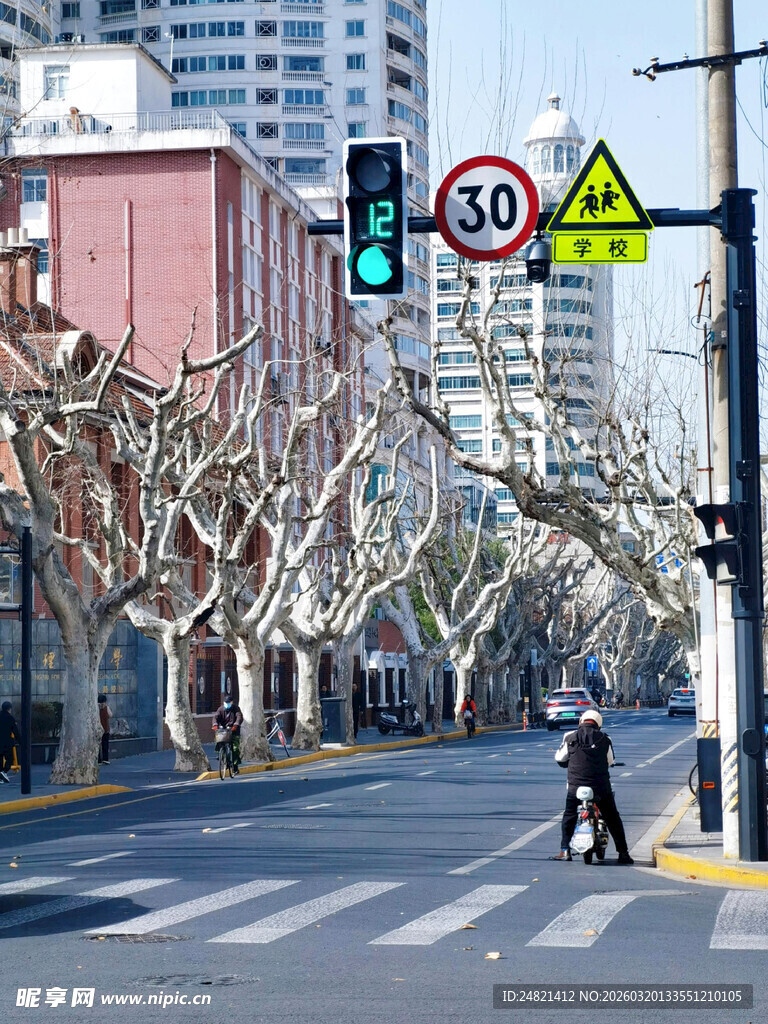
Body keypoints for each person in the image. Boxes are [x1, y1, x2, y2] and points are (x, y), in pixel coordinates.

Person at [551, 709, 633, 864]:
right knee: (612, 817)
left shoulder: (570, 737)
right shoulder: (605, 738)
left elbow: (560, 758)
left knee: (569, 815)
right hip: (600, 788)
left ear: (581, 721)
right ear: (598, 724)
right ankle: (623, 853)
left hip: (575, 788)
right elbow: (610, 761)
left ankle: (565, 850)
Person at [214, 695, 243, 774]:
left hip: (233, 731)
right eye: (226, 702)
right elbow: (216, 717)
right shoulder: (220, 709)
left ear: (232, 702)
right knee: (219, 741)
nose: (227, 704)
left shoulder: (236, 709)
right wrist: (215, 724)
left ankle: (235, 766)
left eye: (228, 702)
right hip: (223, 730)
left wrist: (236, 725)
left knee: (235, 748)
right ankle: (221, 756)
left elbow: (239, 717)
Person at [0, 700, 19, 783]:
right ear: (9, 709)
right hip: (7, 741)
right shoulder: (10, 718)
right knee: (9, 758)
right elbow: (15, 731)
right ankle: (4, 772)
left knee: (0, 758)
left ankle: (1, 776)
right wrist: (21, 742)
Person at [97, 693, 112, 765]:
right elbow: (110, 715)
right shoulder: (106, 707)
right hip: (105, 729)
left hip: (97, 729)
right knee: (105, 744)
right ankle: (105, 759)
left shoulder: (95, 708)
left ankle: (98, 760)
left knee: (97, 745)